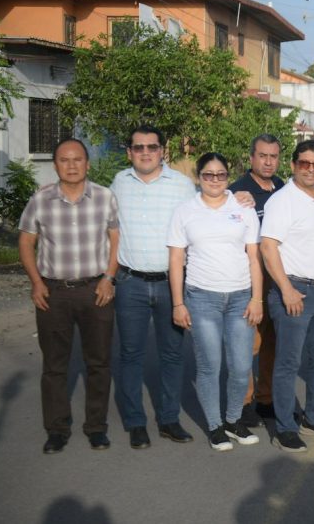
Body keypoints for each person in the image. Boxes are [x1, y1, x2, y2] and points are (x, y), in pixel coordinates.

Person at [18, 138, 119, 453]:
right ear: (55, 164)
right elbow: (25, 242)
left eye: (78, 159)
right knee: (54, 365)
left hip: (96, 290)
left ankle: (96, 428)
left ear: (87, 163)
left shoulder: (105, 197)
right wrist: (36, 282)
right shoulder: (41, 199)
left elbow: (116, 240)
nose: (72, 165)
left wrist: (109, 278)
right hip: (54, 292)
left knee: (99, 363)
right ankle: (57, 429)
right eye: (64, 160)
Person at [168, 153, 263, 451]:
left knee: (240, 365)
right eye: (208, 175)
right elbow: (175, 259)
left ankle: (234, 419)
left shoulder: (242, 207)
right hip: (201, 298)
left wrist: (257, 298)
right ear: (199, 177)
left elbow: (254, 256)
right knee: (210, 365)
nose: (214, 180)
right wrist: (178, 303)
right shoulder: (185, 211)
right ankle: (215, 426)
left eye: (220, 175)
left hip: (240, 298)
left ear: (228, 176)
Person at [110, 125, 195, 449]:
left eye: (152, 147)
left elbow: (204, 213)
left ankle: (169, 419)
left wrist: (236, 196)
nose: (146, 152)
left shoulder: (183, 186)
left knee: (172, 355)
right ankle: (135, 422)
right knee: (130, 354)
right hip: (130, 282)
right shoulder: (119, 183)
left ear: (163, 150)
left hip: (170, 285)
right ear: (129, 151)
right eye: (139, 147)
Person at [260, 139, 314, 453]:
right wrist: (286, 289)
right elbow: (268, 247)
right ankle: (285, 427)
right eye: (304, 163)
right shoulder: (283, 200)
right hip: (295, 290)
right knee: (288, 363)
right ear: (293, 165)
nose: (310, 169)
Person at [230, 134, 285, 428]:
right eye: (262, 155)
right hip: (250, 279)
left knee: (272, 342)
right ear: (251, 157)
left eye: (273, 156)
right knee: (248, 343)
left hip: (278, 277)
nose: (268, 161)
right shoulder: (237, 192)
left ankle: (265, 399)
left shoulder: (283, 189)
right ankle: (243, 402)